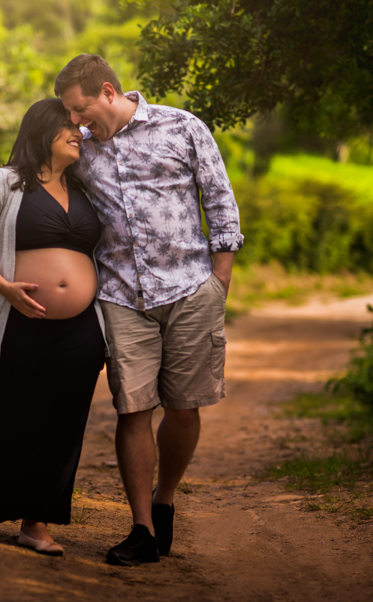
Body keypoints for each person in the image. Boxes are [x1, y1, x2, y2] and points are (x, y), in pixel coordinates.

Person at [55, 54, 244, 566]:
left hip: (191, 289)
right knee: (132, 409)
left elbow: (219, 199)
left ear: (108, 91)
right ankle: (141, 528)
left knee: (183, 409)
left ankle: (165, 497)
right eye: (69, 113)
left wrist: (219, 281)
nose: (75, 120)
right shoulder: (81, 150)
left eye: (79, 108)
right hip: (120, 295)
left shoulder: (182, 127)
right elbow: (42, 182)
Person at [0, 98, 106, 557]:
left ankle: (38, 520)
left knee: (65, 422)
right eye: (69, 126)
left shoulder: (85, 189)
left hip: (81, 327)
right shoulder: (6, 182)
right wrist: (6, 289)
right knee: (17, 419)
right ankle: (26, 517)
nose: (78, 133)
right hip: (16, 321)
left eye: (80, 128)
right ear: (42, 131)